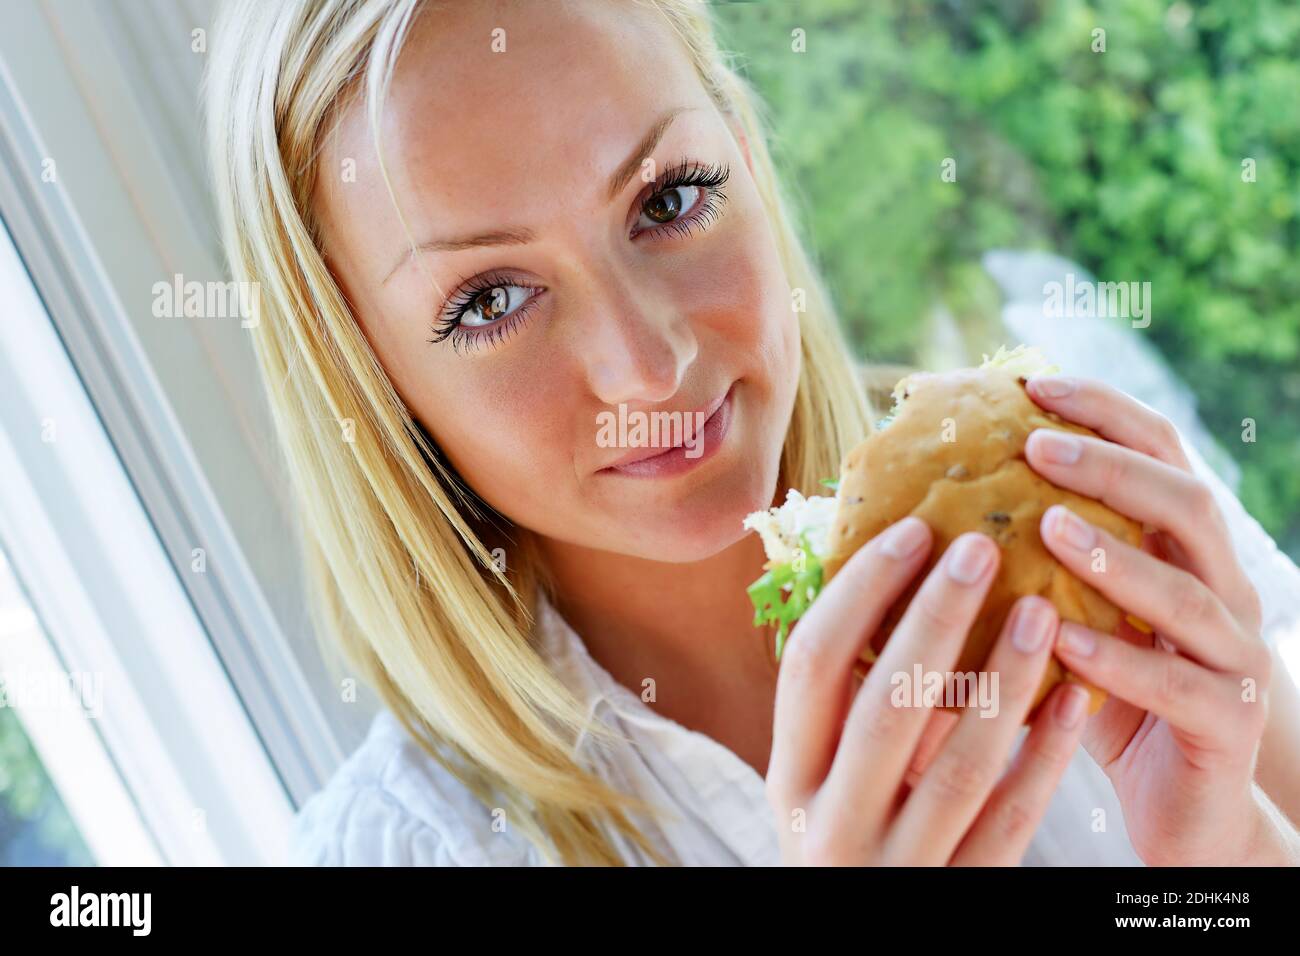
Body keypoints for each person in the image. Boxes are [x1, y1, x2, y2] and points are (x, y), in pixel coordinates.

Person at [204, 0, 1300, 865]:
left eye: (669, 199)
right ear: (366, 367)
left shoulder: (1090, 508)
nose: (648, 363)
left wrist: (1221, 862)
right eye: (489, 300)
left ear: (746, 155)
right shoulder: (396, 854)